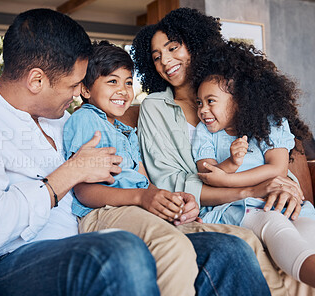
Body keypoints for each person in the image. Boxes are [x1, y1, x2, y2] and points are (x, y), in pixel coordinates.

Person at [0, 9, 161, 296]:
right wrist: (70, 172)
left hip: (87, 246)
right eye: (74, 85)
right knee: (119, 252)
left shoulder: (65, 120)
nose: (78, 94)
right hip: (0, 270)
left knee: (219, 249)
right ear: (37, 80)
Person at [63, 41, 271, 296]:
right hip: (104, 211)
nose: (124, 90)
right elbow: (85, 191)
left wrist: (174, 201)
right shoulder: (85, 119)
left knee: (243, 239)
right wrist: (142, 197)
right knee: (172, 245)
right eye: (112, 81)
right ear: (85, 89)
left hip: (138, 208)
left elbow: (145, 182)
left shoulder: (126, 132)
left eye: (129, 83)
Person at [131, 7, 311, 295]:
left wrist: (289, 187)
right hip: (211, 211)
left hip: (265, 199)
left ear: (195, 43)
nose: (165, 61)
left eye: (173, 48)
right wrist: (251, 191)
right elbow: (171, 182)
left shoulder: (238, 100)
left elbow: (272, 159)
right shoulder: (155, 108)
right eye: (156, 57)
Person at [189, 41, 315, 286]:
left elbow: (277, 169)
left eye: (211, 101)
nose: (203, 110)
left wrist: (225, 178)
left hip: (278, 198)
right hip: (239, 206)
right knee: (274, 222)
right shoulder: (206, 133)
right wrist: (231, 164)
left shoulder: (271, 123)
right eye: (199, 102)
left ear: (239, 100)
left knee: (308, 226)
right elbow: (208, 172)